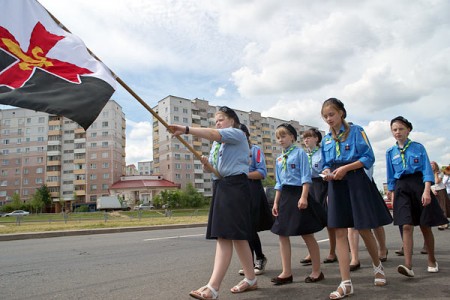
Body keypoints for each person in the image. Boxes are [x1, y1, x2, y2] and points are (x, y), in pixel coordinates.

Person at [169, 106, 257, 299]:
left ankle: (213, 287)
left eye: (221, 119)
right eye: (216, 120)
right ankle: (251, 279)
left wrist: (185, 129)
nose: (217, 123)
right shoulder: (219, 146)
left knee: (224, 237)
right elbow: (214, 170)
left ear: (232, 121)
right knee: (238, 237)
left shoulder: (237, 134)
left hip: (235, 187)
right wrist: (208, 166)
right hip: (222, 186)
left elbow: (212, 134)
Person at [320, 98, 392, 299]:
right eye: (325, 116)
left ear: (341, 113)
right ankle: (346, 282)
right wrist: (327, 171)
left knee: (363, 228)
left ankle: (377, 267)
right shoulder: (326, 139)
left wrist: (345, 168)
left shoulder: (356, 130)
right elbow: (325, 162)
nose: (328, 119)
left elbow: (368, 157)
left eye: (331, 114)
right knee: (340, 231)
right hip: (336, 183)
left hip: (356, 181)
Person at [386, 116, 448, 278]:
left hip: (418, 185)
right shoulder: (390, 152)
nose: (397, 132)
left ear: (408, 130)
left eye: (400, 129)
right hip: (401, 188)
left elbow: (427, 170)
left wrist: (427, 190)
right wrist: (391, 194)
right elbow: (390, 176)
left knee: (424, 225)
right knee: (405, 225)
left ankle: (432, 260)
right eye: (394, 129)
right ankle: (408, 265)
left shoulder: (418, 148)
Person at [271, 123, 327, 286]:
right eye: (278, 137)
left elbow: (305, 177)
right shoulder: (279, 158)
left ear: (292, 137)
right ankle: (286, 272)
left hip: (299, 194)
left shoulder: (300, 153)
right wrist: (275, 202)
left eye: (283, 136)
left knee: (307, 233)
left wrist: (304, 197)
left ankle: (317, 271)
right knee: (282, 234)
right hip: (285, 197)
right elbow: (278, 182)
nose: (280, 140)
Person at [237, 124, 273, 276]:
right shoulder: (232, 151)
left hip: (252, 190)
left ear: (246, 135)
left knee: (250, 227)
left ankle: (260, 257)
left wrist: (243, 174)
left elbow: (262, 172)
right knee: (243, 228)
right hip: (237, 191)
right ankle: (248, 263)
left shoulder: (255, 150)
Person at [300, 128, 337, 266]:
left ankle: (332, 252)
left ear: (317, 139)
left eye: (309, 137)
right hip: (308, 187)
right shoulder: (304, 155)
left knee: (329, 222)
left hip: (323, 185)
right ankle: (311, 253)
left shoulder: (323, 153)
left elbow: (328, 169)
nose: (306, 140)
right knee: (309, 220)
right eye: (304, 138)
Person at [430, 161, 450, 230]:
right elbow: (429, 184)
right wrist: (432, 190)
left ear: (436, 166)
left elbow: (437, 181)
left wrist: (435, 174)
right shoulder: (429, 174)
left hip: (441, 190)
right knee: (437, 207)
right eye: (431, 165)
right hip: (434, 191)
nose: (432, 166)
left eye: (433, 165)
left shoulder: (440, 173)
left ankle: (444, 223)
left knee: (443, 206)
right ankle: (442, 222)